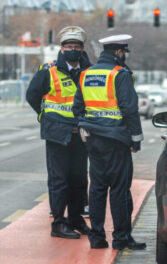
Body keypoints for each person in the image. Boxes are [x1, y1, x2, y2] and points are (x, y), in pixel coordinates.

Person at [72, 34, 145, 250]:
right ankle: (121, 239)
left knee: (97, 189)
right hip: (116, 139)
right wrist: (136, 139)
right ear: (119, 52)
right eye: (124, 53)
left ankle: (97, 239)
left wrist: (85, 127)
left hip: (93, 141)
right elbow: (130, 109)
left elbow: (77, 107)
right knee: (119, 190)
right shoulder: (119, 74)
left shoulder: (86, 74)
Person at [26, 26, 91, 239]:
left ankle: (75, 219)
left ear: (82, 49)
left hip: (80, 133)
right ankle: (59, 223)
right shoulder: (49, 70)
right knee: (59, 179)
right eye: (68, 46)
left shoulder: (89, 71)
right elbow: (32, 95)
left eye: (76, 46)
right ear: (62, 49)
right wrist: (44, 116)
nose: (72, 50)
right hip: (57, 134)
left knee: (79, 179)